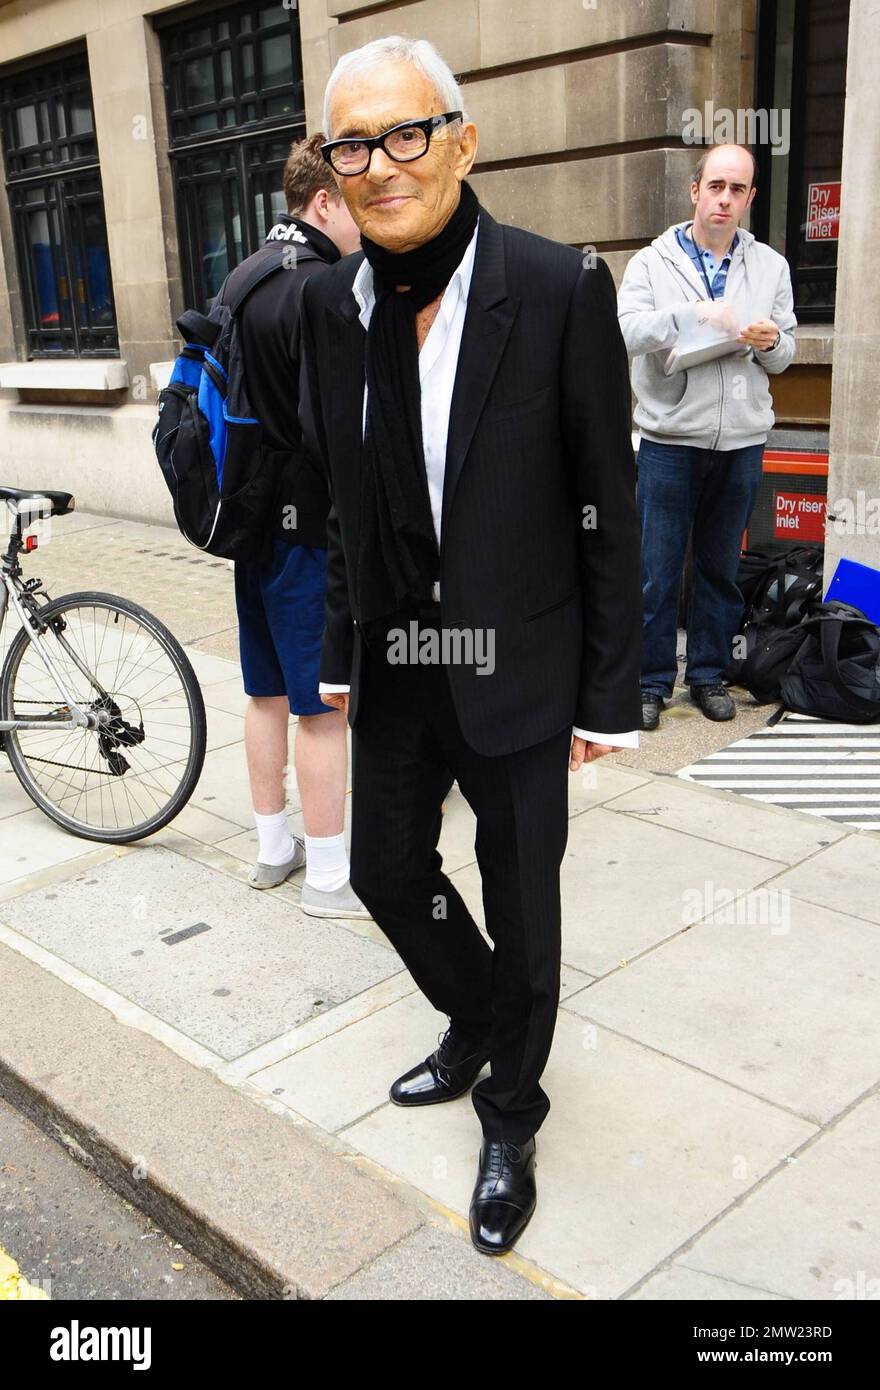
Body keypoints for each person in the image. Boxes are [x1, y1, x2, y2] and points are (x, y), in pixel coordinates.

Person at [298, 36, 642, 1255]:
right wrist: (340, 644)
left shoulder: (554, 289)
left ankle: (511, 1103)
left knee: (520, 889)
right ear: (331, 165)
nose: (380, 166)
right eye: (353, 144)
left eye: (404, 135)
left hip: (521, 660)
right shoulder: (329, 310)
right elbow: (342, 497)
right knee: (386, 871)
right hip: (398, 659)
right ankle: (486, 1011)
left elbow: (609, 498)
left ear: (462, 139)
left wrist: (611, 689)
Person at [229, 134, 369, 919]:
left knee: (265, 694)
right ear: (323, 203)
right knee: (322, 705)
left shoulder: (244, 275)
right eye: (353, 206)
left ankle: (271, 848)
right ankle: (327, 879)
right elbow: (331, 429)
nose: (364, 224)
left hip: (249, 521)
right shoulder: (321, 286)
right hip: (307, 525)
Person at [617, 143, 797, 731]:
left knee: (720, 569)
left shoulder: (771, 266)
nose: (724, 199)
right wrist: (695, 317)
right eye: (715, 186)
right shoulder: (651, 261)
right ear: (695, 191)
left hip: (741, 439)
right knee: (654, 571)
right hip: (670, 439)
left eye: (737, 189)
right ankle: (648, 683)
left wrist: (770, 341)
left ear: (749, 197)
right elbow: (625, 331)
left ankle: (708, 676)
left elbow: (786, 352)